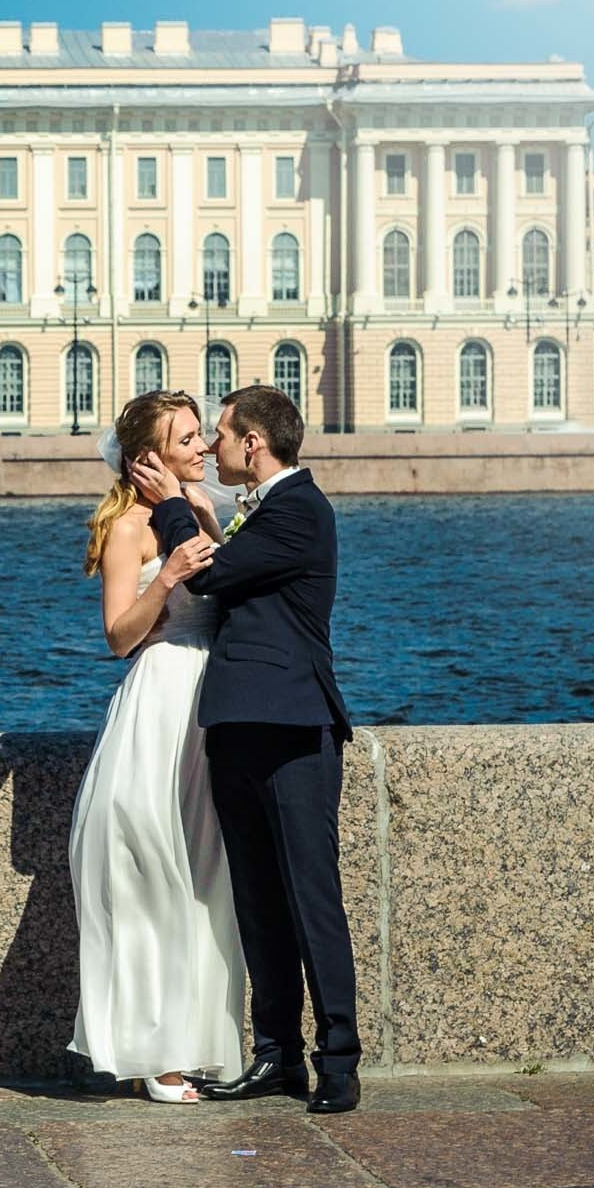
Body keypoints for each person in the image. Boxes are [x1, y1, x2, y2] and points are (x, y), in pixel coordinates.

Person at [130, 384, 362, 1114]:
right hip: (236, 724)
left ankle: (339, 1061)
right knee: (260, 902)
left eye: (222, 435)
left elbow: (218, 574)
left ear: (253, 444)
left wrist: (172, 502)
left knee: (311, 896)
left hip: (295, 731)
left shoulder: (300, 508)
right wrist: (195, 511)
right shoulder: (257, 510)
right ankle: (276, 1054)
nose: (213, 448)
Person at [71, 389, 247, 1104]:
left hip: (215, 699)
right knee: (153, 873)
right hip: (160, 695)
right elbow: (117, 636)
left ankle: (204, 1042)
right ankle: (154, 1051)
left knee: (209, 878)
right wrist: (168, 576)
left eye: (203, 433)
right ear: (149, 457)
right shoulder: (130, 529)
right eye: (186, 437)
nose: (203, 445)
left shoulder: (212, 508)